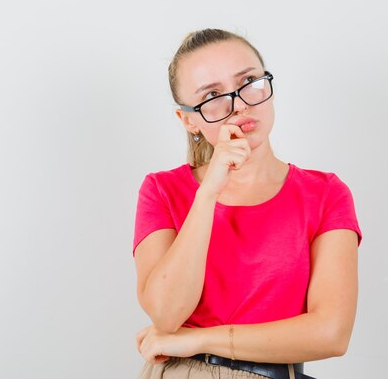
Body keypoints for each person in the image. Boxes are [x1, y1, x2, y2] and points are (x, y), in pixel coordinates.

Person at [132, 29, 362, 379]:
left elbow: (331, 334)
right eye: (212, 95)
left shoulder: (325, 193)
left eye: (249, 81)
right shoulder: (162, 190)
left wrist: (196, 340)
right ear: (188, 120)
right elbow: (166, 313)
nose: (239, 105)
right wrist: (208, 191)